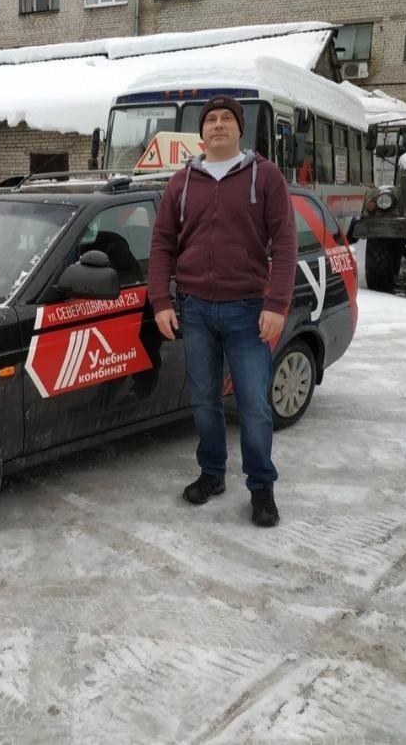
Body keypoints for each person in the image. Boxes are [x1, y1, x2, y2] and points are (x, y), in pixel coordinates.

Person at [147, 96, 297, 527]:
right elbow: (162, 244)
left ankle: (261, 487)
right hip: (195, 310)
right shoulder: (182, 183)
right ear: (202, 132)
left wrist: (277, 304)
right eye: (210, 120)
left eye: (226, 119)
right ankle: (212, 473)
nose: (217, 125)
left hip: (249, 311)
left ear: (239, 129)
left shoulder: (265, 177)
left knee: (253, 405)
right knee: (204, 401)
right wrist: (161, 300)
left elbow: (285, 243)